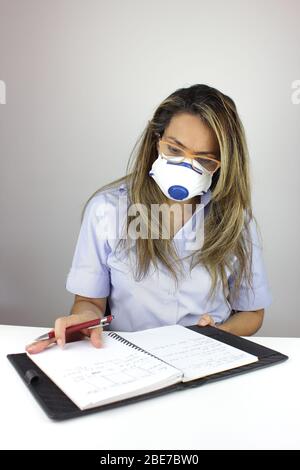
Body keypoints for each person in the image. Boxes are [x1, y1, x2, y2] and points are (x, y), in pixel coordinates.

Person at [26, 84, 272, 354]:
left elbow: (251, 313)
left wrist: (217, 335)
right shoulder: (108, 210)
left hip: (204, 361)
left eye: (203, 159)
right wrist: (84, 319)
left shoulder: (236, 221)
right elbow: (89, 302)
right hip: (129, 359)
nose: (185, 166)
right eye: (175, 150)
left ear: (221, 164)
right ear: (157, 140)